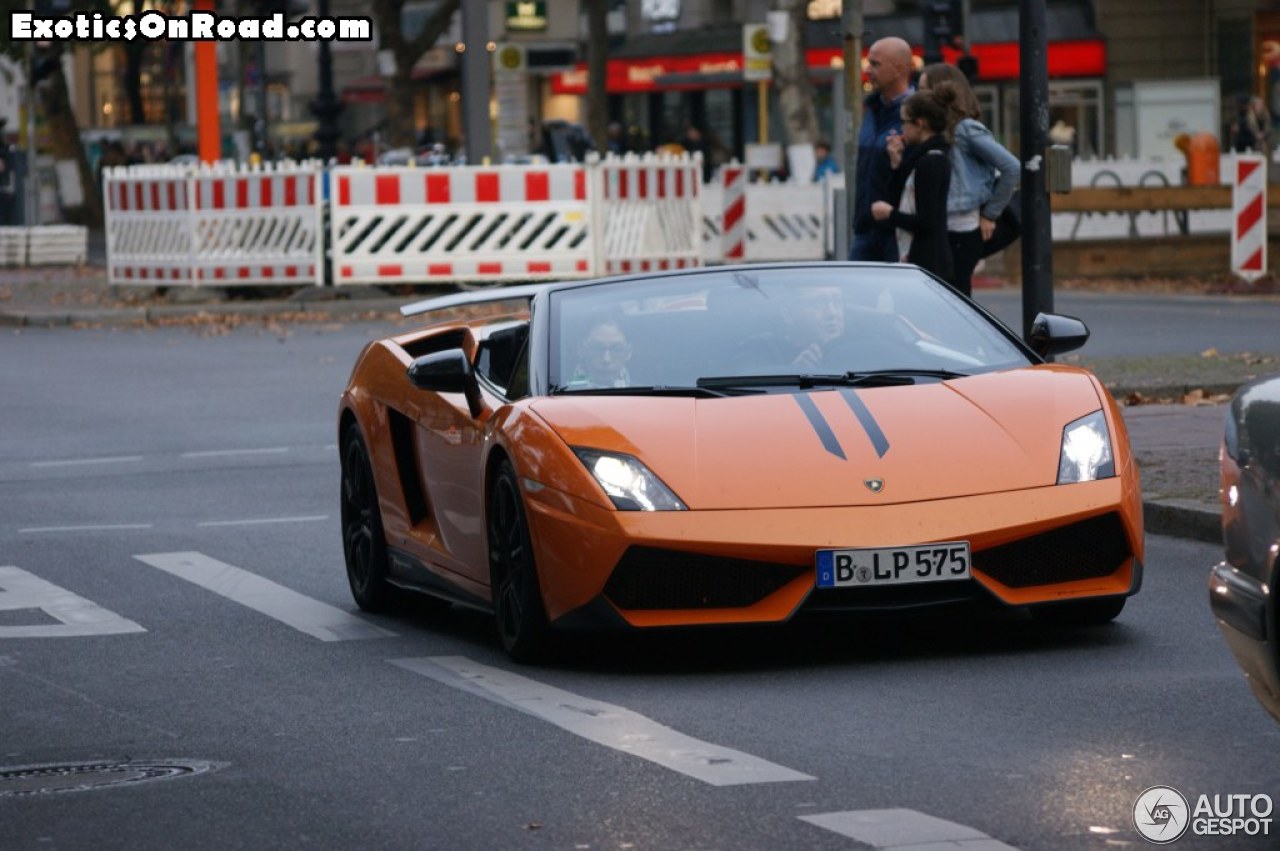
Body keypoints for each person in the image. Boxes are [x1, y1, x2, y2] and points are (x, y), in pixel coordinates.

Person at [916, 63, 1020, 296]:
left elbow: (1011, 167)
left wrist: (990, 214)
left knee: (956, 299)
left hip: (963, 229)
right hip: (941, 227)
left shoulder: (964, 129)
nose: (919, 95)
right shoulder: (934, 131)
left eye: (924, 89)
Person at [871, 89, 953, 283]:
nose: (901, 129)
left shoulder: (931, 161)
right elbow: (899, 197)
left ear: (920, 124)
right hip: (922, 259)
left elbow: (927, 221)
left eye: (904, 122)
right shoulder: (919, 158)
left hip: (928, 262)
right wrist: (895, 164)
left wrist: (889, 214)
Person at [850, 37, 913, 262]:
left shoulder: (917, 114)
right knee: (855, 296)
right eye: (869, 63)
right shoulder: (872, 109)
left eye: (876, 64)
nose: (868, 70)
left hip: (898, 232)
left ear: (900, 69)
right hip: (865, 230)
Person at [738, 284, 846, 372]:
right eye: (817, 302)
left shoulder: (860, 345)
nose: (832, 313)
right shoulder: (759, 349)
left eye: (837, 301)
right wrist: (792, 372)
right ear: (788, 313)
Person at [569, 316, 633, 388]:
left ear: (628, 352)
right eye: (597, 348)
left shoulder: (644, 395)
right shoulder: (558, 394)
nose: (606, 359)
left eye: (616, 349)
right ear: (581, 349)